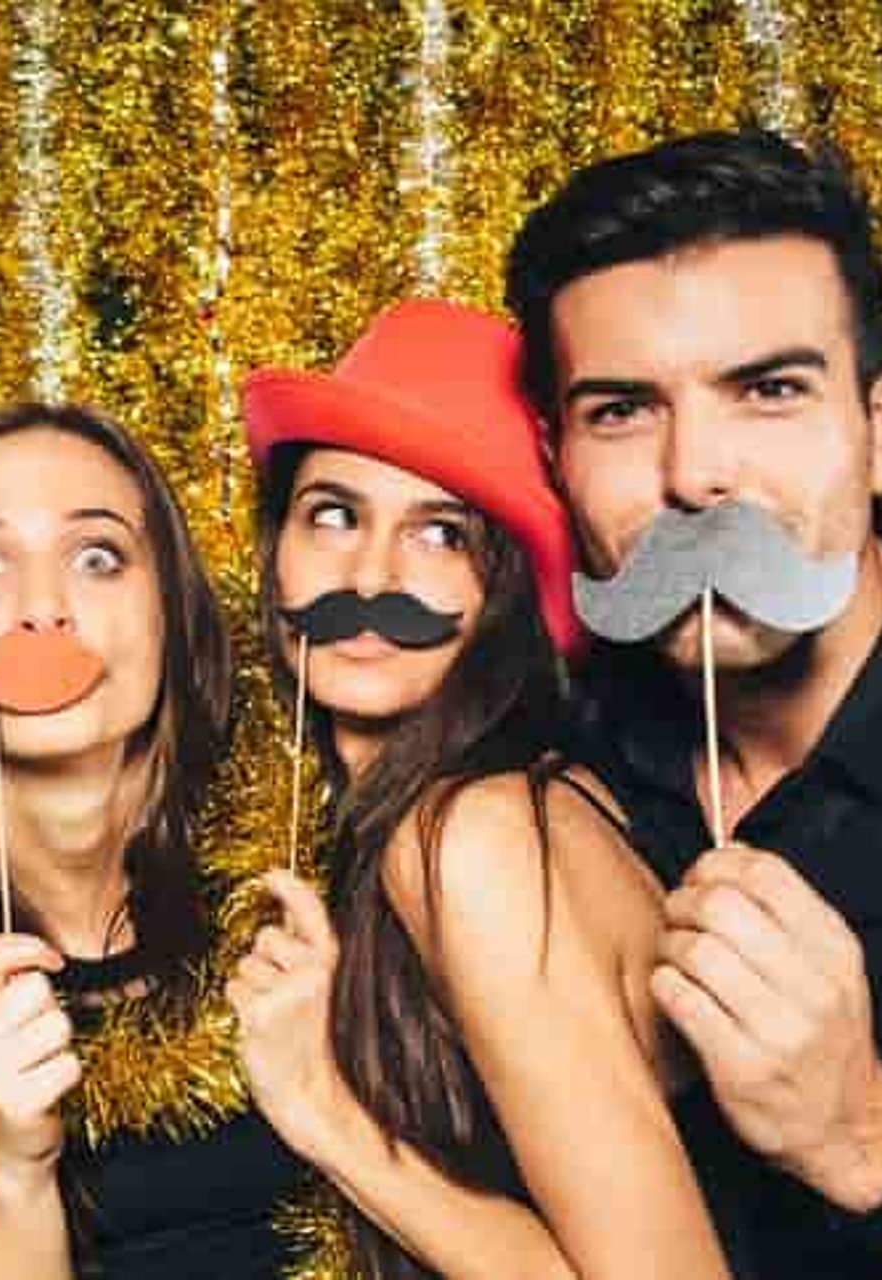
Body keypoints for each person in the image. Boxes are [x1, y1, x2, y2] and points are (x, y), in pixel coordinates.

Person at [506, 128, 882, 1279]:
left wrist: (862, 1132)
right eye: (622, 410)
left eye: (769, 391)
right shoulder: (545, 743)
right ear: (554, 456)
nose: (695, 475)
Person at [0, 402, 358, 1278]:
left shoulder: (320, 853)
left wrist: (330, 1105)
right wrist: (18, 1167)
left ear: (173, 609)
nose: (41, 610)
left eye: (97, 557)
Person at [231, 299, 730, 1279]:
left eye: (440, 536)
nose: (369, 574)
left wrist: (324, 1112)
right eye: (333, 514)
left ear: (506, 590)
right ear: (276, 547)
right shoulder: (452, 810)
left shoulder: (479, 835)